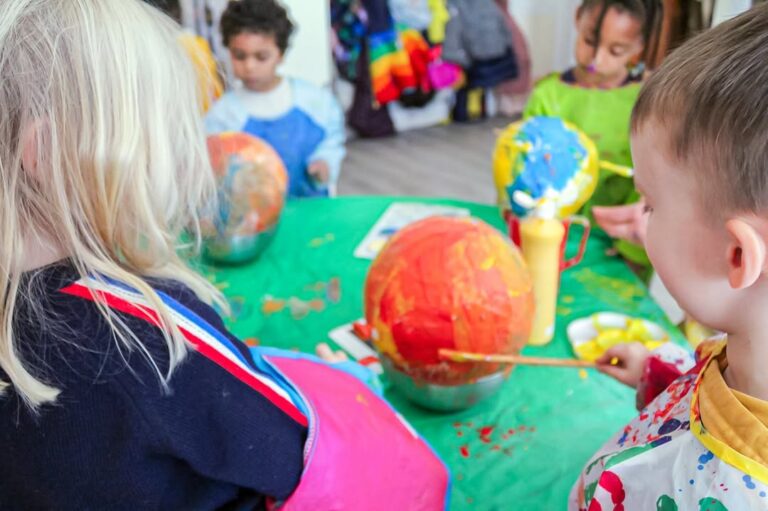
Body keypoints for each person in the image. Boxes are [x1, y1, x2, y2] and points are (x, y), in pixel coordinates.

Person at [0, 1, 448, 509]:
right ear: (52, 149)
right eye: (166, 130)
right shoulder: (149, 334)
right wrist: (346, 390)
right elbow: (290, 445)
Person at [571, 4, 768, 508]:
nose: (643, 217)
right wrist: (663, 377)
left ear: (736, 256)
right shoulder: (748, 349)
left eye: (651, 203)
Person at [524, 0, 662, 272]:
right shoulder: (547, 95)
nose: (597, 60)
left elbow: (659, 186)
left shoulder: (648, 101)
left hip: (623, 250)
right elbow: (525, 173)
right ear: (578, 19)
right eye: (589, 41)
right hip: (553, 240)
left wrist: (634, 251)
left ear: (638, 48)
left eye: (616, 50)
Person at [205, 0, 346, 198]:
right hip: (251, 219)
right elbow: (213, 162)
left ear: (281, 54)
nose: (250, 66)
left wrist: (324, 162)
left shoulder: (316, 102)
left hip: (311, 211)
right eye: (239, 56)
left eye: (261, 57)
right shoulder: (222, 115)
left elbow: (331, 141)